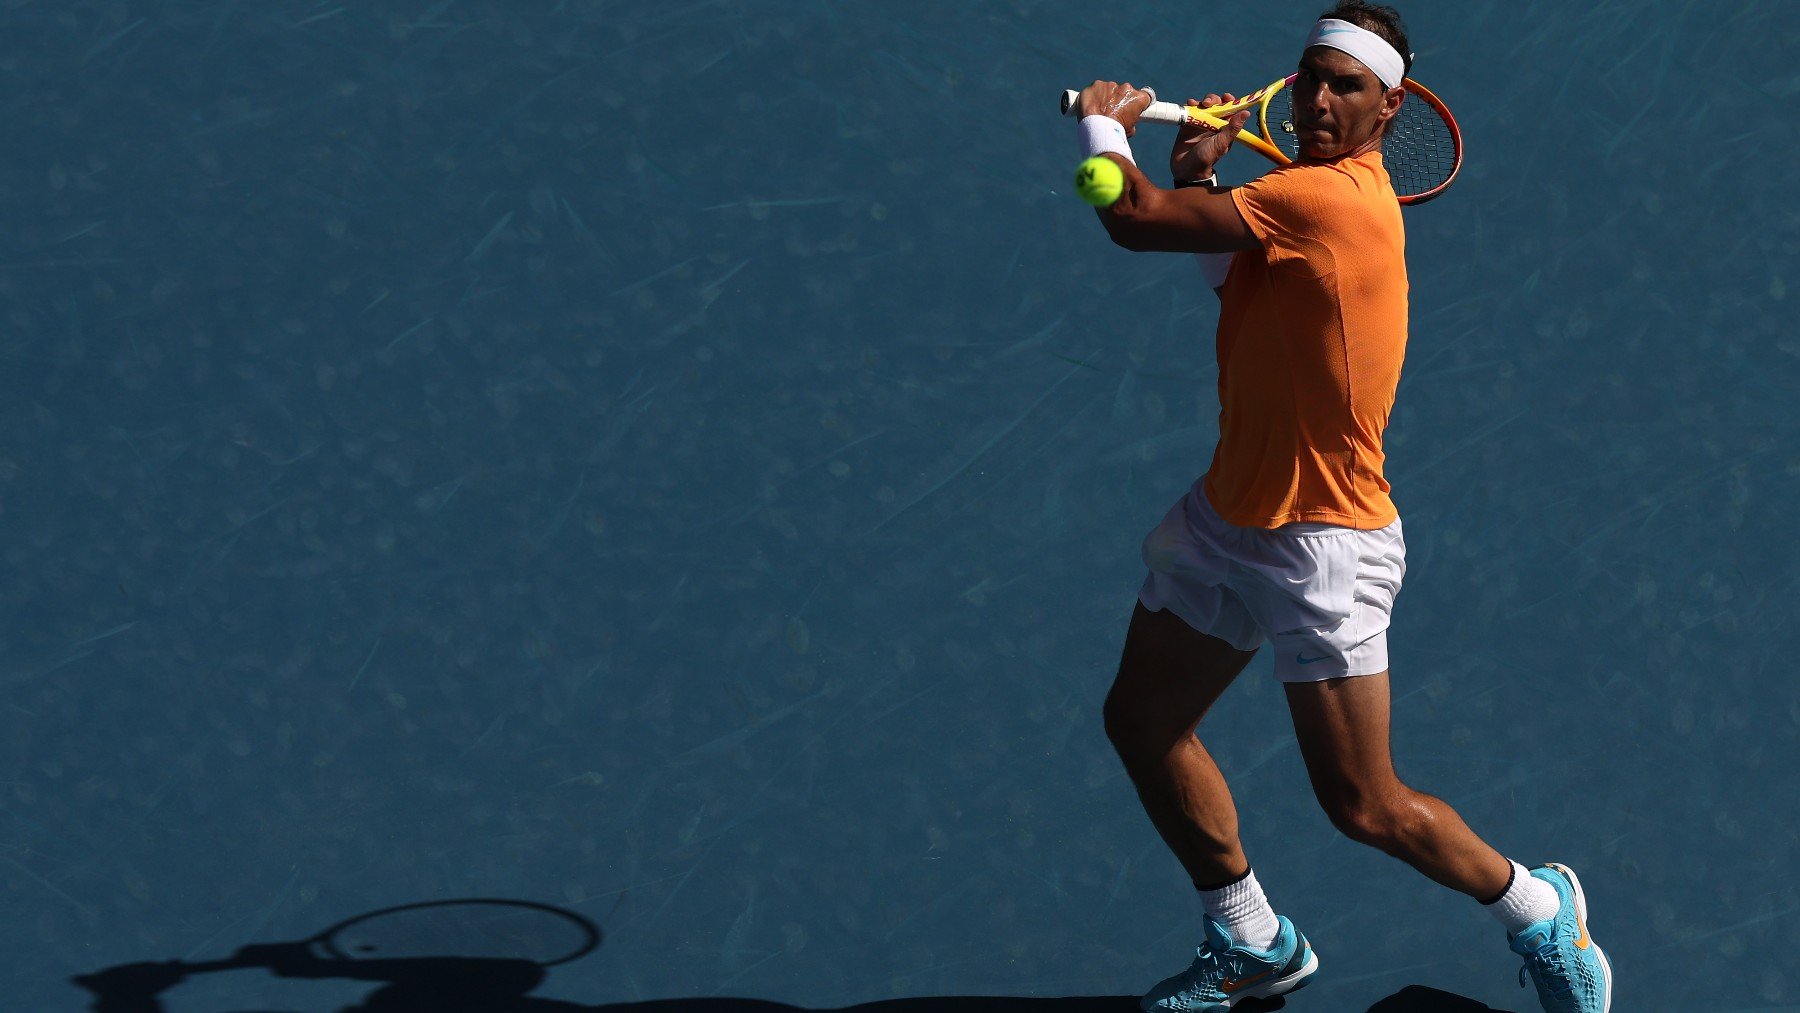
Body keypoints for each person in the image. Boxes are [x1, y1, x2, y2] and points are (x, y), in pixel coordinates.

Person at [1073, 4, 1612, 1011]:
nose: (1319, 99)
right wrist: (1197, 175)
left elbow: (1128, 217)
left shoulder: (1329, 201)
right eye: (1311, 76)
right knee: (1144, 721)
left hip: (1324, 546)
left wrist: (1107, 125)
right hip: (1230, 516)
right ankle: (1252, 940)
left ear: (1389, 106)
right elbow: (1226, 267)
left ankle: (1541, 910)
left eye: (1347, 87)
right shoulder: (1291, 202)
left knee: (1365, 803)